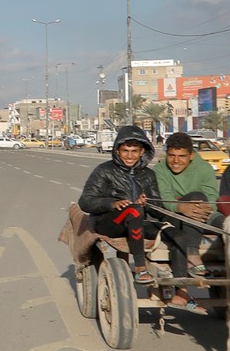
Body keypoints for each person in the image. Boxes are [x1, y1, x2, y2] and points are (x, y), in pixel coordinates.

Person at [79, 126, 161, 285]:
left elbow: (158, 208)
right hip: (109, 223)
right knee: (135, 211)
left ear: (142, 152)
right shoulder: (104, 170)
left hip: (138, 222)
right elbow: (85, 201)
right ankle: (140, 268)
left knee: (172, 228)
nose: (129, 156)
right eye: (125, 151)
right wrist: (111, 203)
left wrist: (149, 203)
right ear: (117, 150)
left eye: (134, 151)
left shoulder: (149, 175)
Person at [153, 132, 219, 309]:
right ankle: (189, 264)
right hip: (171, 218)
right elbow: (165, 197)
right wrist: (182, 206)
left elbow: (212, 198)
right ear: (166, 154)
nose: (176, 161)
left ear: (191, 155)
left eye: (182, 156)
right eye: (171, 156)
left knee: (227, 223)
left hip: (201, 216)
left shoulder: (204, 169)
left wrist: (201, 206)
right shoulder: (159, 170)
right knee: (180, 234)